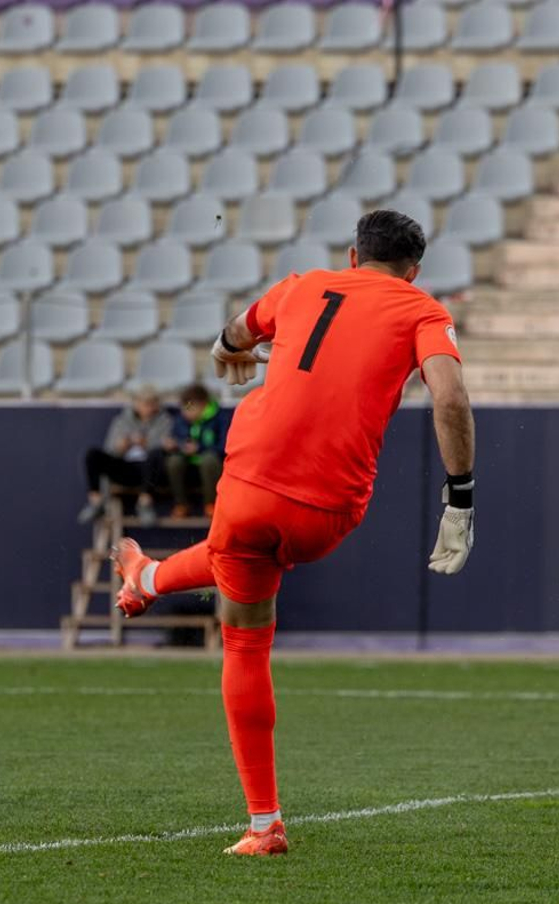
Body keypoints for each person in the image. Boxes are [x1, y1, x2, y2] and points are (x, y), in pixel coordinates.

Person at [114, 210, 476, 856]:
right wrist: (461, 500)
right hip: (331, 509)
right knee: (244, 564)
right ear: (413, 270)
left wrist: (229, 354)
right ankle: (143, 579)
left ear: (351, 254)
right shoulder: (422, 309)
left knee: (243, 628)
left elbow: (233, 331)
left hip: (253, 482)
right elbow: (448, 396)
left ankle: (264, 825)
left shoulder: (302, 284)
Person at [78, 385, 172, 525]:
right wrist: (123, 445)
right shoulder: (121, 421)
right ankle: (96, 502)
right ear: (136, 404)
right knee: (92, 455)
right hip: (125, 467)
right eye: (145, 403)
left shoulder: (165, 421)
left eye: (152, 404)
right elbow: (110, 449)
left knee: (156, 454)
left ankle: (145, 503)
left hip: (149, 471)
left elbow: (165, 447)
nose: (149, 408)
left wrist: (145, 443)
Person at [163, 383, 227, 518]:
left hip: (211, 465)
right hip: (187, 463)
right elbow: (177, 437)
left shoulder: (220, 418)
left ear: (203, 404)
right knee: (174, 461)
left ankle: (211, 504)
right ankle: (181, 504)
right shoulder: (181, 419)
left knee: (209, 460)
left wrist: (199, 448)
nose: (186, 412)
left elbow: (224, 447)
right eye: (185, 408)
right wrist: (175, 445)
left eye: (190, 408)